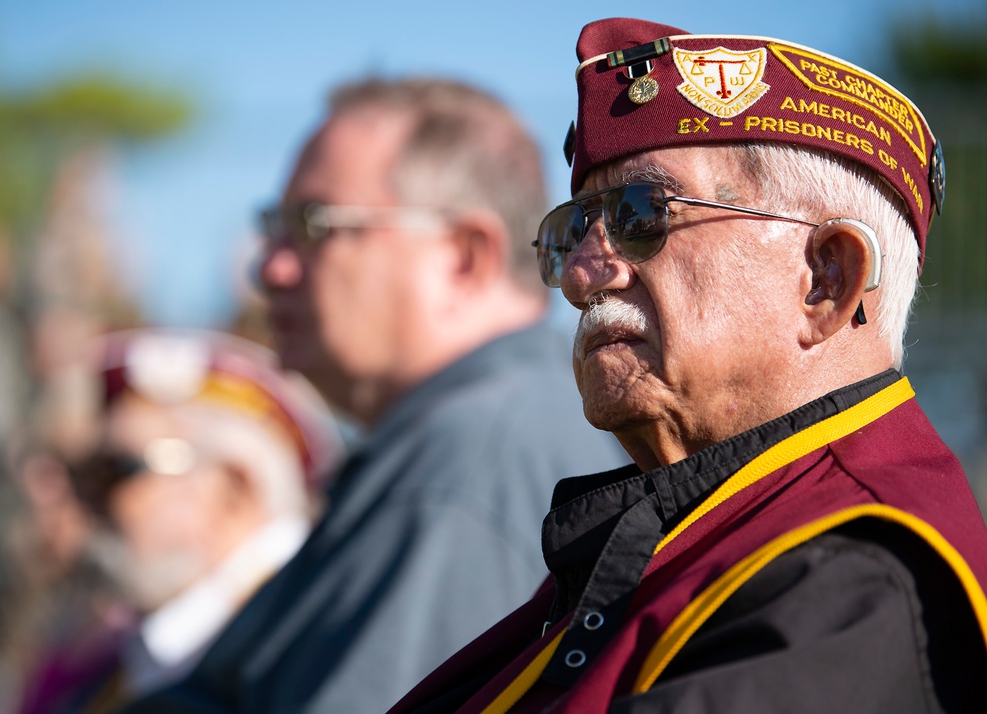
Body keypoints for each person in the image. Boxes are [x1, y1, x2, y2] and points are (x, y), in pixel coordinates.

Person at [389, 18, 987, 714]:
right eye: (574, 229)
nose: (582, 277)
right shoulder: (700, 533)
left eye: (643, 214)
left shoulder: (853, 578)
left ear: (828, 278)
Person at [122, 78, 626, 714]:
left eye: (312, 226)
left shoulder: (469, 463)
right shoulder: (456, 437)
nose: (268, 267)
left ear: (462, 258)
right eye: (272, 226)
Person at [17, 328, 342, 714]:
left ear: (231, 491)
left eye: (115, 472)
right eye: (86, 476)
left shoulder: (318, 639)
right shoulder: (113, 665)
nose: (86, 501)